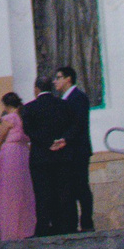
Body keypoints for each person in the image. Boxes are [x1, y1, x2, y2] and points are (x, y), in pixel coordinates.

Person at [20, 76, 65, 235]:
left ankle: (43, 227)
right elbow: (67, 126)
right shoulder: (62, 105)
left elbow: (28, 131)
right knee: (58, 191)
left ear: (36, 89)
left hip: (39, 156)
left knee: (41, 193)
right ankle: (60, 225)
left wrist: (46, 143)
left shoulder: (29, 108)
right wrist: (57, 141)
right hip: (59, 154)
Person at [53, 66, 95, 233]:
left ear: (68, 79)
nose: (55, 81)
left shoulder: (78, 97)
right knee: (69, 187)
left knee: (81, 187)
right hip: (68, 152)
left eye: (59, 77)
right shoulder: (64, 99)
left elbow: (79, 123)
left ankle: (86, 222)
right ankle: (71, 224)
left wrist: (66, 139)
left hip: (79, 150)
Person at [0, 93, 34, 241]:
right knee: (24, 191)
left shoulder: (9, 118)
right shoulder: (23, 117)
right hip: (23, 153)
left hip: (10, 155)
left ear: (6, 105)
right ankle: (26, 227)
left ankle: (11, 230)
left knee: (9, 192)